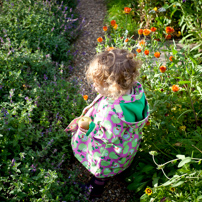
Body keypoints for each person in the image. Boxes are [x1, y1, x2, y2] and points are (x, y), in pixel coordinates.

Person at [65, 48, 149, 199]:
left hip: (108, 149)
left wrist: (87, 125)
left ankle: (96, 186)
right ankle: (116, 172)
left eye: (97, 84)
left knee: (102, 166)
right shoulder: (134, 90)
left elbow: (108, 136)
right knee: (116, 163)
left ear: (113, 86)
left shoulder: (112, 111)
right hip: (127, 141)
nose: (94, 87)